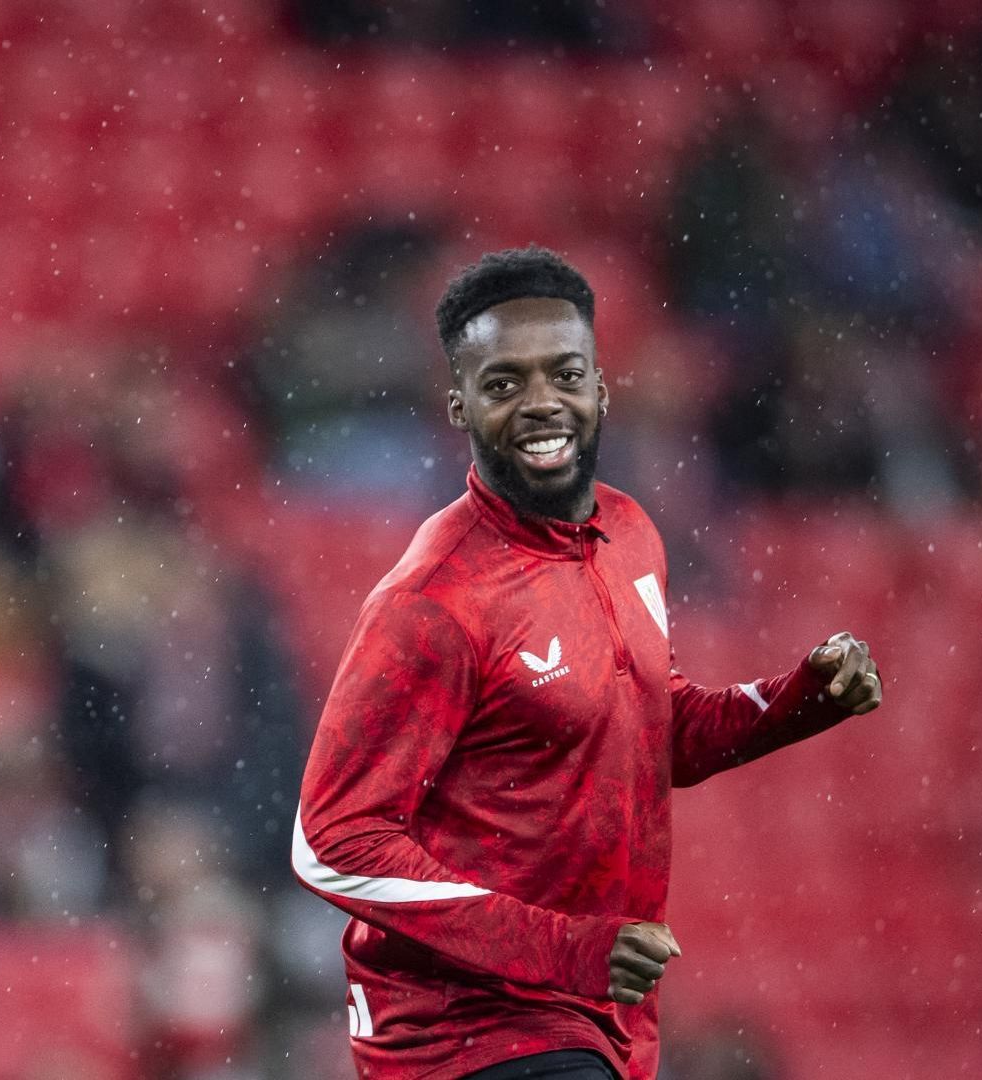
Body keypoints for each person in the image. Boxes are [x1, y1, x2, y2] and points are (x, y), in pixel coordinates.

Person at [291, 247, 883, 1080]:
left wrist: (798, 700)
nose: (542, 402)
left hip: (596, 1022)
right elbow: (334, 841)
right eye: (504, 383)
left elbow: (650, 732)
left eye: (564, 374)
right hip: (467, 1037)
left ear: (601, 387)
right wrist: (562, 948)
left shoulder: (631, 534)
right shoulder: (434, 600)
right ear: (458, 405)